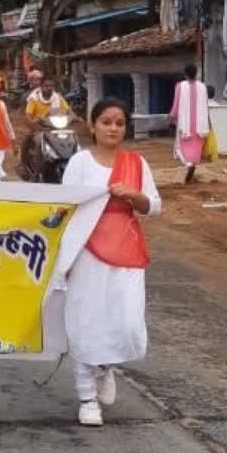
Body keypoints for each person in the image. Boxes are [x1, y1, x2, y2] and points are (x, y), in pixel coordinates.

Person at [60, 97, 161, 427]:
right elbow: (65, 208)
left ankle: (105, 366)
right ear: (92, 125)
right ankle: (87, 396)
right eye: (106, 121)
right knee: (86, 319)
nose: (113, 128)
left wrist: (134, 195)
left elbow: (154, 206)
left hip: (126, 248)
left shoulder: (136, 163)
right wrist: (65, 259)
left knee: (126, 321)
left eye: (119, 123)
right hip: (86, 248)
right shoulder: (80, 162)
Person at [169, 64, 211, 184]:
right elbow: (205, 106)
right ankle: (192, 165)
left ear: (185, 74)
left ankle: (188, 165)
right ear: (196, 73)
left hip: (185, 124)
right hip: (200, 125)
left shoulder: (180, 86)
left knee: (181, 148)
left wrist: (171, 116)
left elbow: (176, 105)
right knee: (196, 149)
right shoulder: (203, 87)